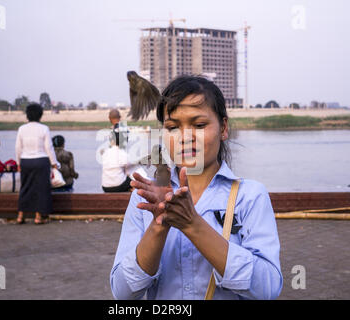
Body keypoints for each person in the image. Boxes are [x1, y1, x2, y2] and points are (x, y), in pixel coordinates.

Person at [110, 75, 283, 300]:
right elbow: (122, 293)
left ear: (223, 128)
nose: (185, 137)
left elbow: (267, 288)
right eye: (172, 127)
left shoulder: (250, 196)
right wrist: (158, 226)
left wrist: (192, 224)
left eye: (199, 125)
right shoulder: (145, 201)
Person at [15, 103, 59, 224]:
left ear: (27, 115)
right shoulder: (44, 128)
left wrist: (18, 162)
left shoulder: (21, 129)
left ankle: (20, 216)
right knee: (41, 189)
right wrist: (54, 163)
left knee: (25, 188)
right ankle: (38, 217)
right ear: (40, 115)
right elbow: (49, 148)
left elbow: (18, 147)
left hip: (25, 160)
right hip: (41, 161)